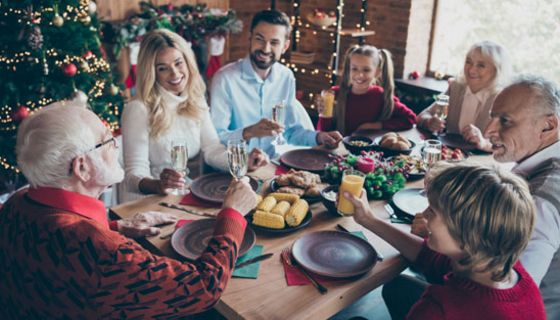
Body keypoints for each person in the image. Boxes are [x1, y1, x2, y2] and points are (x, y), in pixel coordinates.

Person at [0, 103, 256, 318]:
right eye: (107, 141)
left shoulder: (17, 202)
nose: (116, 146)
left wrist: (116, 227)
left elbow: (55, 244)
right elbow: (204, 288)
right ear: (81, 168)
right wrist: (232, 212)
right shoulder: (104, 253)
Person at [410, 75, 560, 319]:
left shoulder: (539, 204)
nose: (489, 130)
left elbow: (503, 294)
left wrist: (440, 231)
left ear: (548, 126)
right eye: (493, 117)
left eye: (505, 121)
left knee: (396, 287)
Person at [345, 163, 545, 319]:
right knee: (398, 288)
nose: (422, 214)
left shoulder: (440, 310)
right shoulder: (505, 267)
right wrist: (368, 220)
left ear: (467, 234)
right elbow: (430, 258)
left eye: (432, 210)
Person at [121, 29, 268, 202]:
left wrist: (243, 162)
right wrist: (159, 185)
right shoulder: (138, 109)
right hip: (148, 202)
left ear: (188, 61)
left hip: (183, 194)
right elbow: (132, 177)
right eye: (163, 68)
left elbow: (212, 148)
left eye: (178, 63)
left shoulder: (195, 98)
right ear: (152, 73)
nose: (175, 74)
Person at [210, 10, 342, 157]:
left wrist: (319, 137)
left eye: (274, 42)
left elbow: (291, 132)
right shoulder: (224, 79)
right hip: (237, 167)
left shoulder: (286, 77)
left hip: (274, 164)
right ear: (250, 38)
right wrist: (249, 132)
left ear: (285, 46)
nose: (266, 49)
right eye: (259, 39)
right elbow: (215, 139)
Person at [416, 41, 512, 151]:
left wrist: (483, 143)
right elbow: (422, 115)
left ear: (496, 70)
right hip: (449, 155)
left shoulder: (502, 99)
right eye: (468, 62)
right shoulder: (456, 87)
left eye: (481, 65)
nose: (471, 70)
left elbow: (508, 145)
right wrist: (429, 122)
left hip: (481, 162)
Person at [316, 45, 416, 135]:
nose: (359, 75)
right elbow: (323, 133)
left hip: (369, 153)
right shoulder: (334, 94)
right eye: (354, 69)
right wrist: (324, 115)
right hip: (338, 151)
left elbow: (410, 119)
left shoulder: (381, 96)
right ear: (348, 69)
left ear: (377, 72)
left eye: (366, 70)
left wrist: (374, 125)